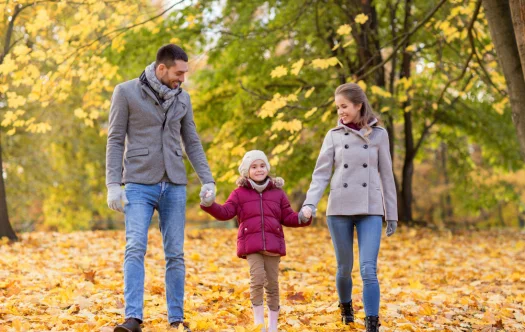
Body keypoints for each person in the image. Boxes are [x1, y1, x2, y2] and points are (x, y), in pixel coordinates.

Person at [106, 44, 215, 332]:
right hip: (139, 184)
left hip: (175, 184)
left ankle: (176, 319)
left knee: (175, 253)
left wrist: (208, 179)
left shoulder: (183, 99)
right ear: (162, 68)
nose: (183, 78)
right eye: (179, 72)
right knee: (135, 247)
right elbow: (115, 140)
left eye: (186, 73)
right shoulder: (126, 92)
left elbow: (191, 141)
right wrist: (113, 184)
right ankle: (132, 319)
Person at [300, 83, 398, 332]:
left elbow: (387, 175)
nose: (340, 112)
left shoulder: (379, 135)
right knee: (344, 267)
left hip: (370, 209)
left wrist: (392, 213)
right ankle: (346, 308)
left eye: (344, 106)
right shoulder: (333, 135)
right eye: (337, 107)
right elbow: (320, 174)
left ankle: (372, 324)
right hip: (339, 209)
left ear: (358, 105)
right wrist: (310, 203)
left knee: (368, 268)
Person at [200, 150, 312, 332]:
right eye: (254, 167)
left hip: (273, 245)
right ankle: (259, 324)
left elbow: (288, 216)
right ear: (246, 171)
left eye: (262, 166)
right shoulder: (239, 194)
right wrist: (209, 204)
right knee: (257, 278)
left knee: (273, 284)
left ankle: (273, 325)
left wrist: (303, 217)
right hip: (251, 245)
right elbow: (226, 212)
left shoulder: (278, 193)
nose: (259, 170)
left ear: (267, 168)